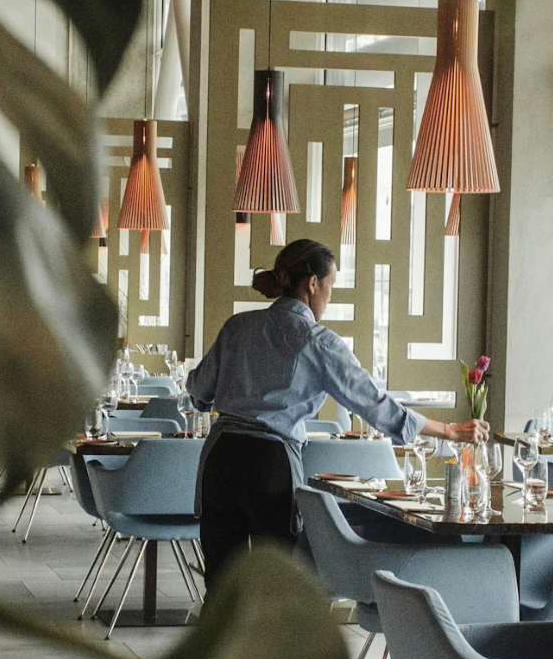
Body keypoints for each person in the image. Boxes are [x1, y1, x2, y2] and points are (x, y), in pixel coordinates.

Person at [185, 238, 487, 587]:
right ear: (312, 284)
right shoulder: (317, 340)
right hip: (270, 464)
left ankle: (219, 642)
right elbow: (372, 402)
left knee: (220, 584)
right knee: (277, 586)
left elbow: (198, 391)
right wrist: (447, 431)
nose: (328, 298)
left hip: (220, 457)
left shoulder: (237, 326)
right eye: (329, 288)